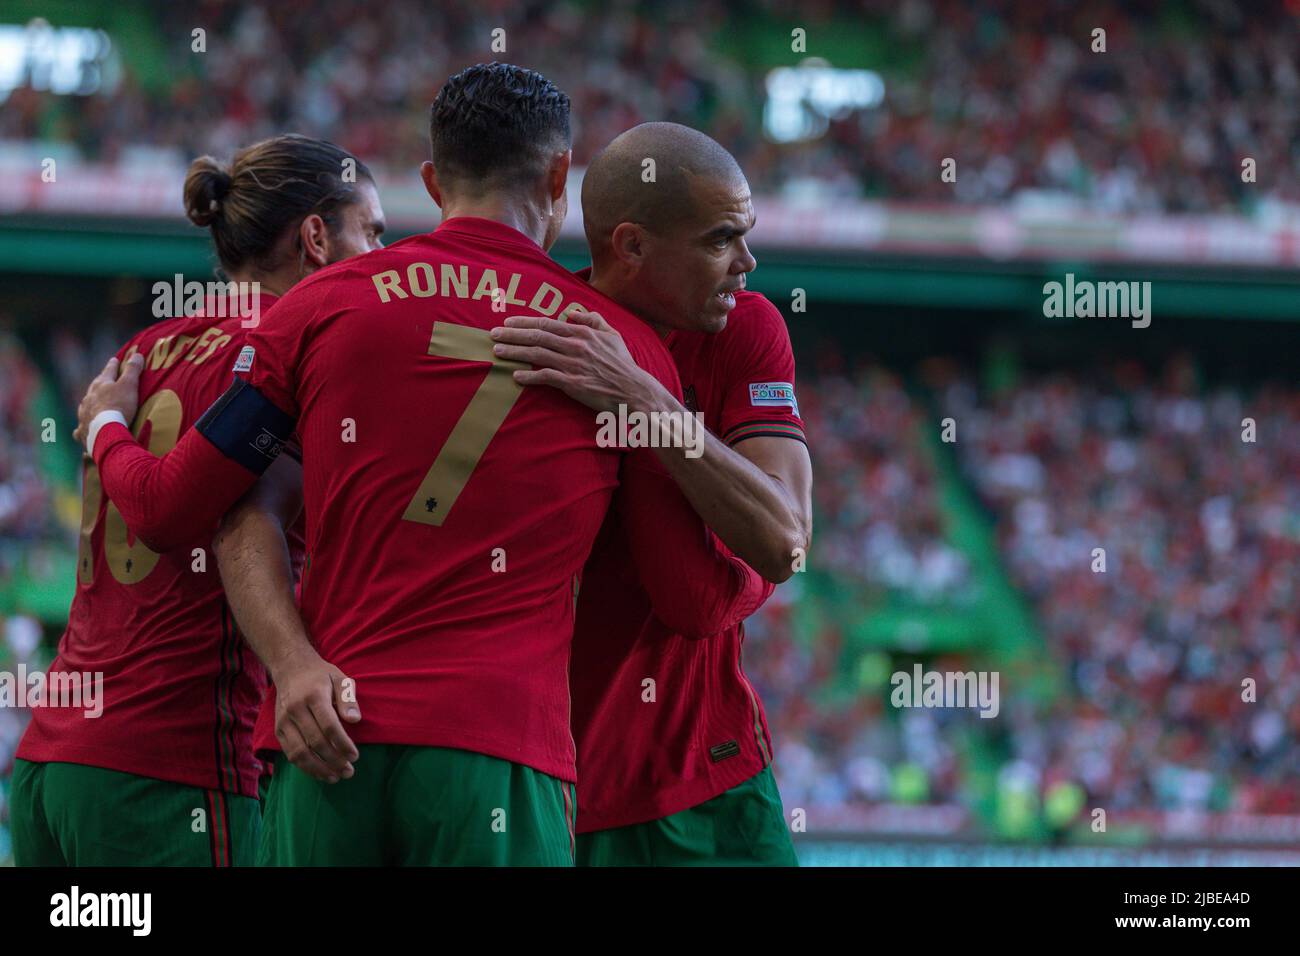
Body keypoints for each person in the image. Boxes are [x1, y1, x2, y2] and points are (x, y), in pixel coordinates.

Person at [74, 63, 765, 866]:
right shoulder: (616, 347)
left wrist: (293, 667)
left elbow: (208, 512)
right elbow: (693, 592)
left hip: (327, 740)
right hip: (497, 756)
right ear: (557, 177)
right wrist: (760, 560)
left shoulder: (318, 308)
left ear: (434, 181)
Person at [11, 134, 385, 866]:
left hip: (53, 764)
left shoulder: (144, 349)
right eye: (370, 230)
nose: (381, 252)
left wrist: (107, 430)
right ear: (315, 237)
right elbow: (173, 516)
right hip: (169, 773)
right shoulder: (291, 353)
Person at [490, 122, 812, 864]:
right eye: (719, 241)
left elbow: (785, 540)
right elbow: (700, 596)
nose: (747, 263)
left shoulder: (746, 329)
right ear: (631, 246)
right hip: (552, 782)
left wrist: (647, 405)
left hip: (712, 779)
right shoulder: (542, 341)